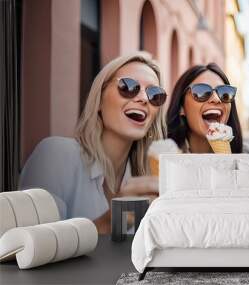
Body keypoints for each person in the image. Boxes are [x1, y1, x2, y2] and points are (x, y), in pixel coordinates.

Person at [19, 53, 167, 234]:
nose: (144, 98)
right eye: (128, 86)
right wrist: (113, 221)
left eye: (155, 94)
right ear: (99, 101)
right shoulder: (56, 155)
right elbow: (33, 248)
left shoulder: (146, 182)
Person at [167, 63, 244, 153]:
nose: (216, 99)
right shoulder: (161, 159)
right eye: (201, 91)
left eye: (224, 93)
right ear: (181, 107)